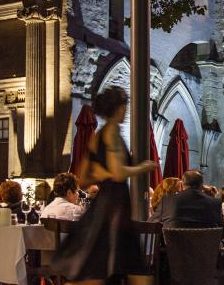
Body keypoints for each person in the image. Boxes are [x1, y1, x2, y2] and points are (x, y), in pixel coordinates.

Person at [49, 86, 158, 285]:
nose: (125, 111)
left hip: (105, 205)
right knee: (121, 267)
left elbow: (82, 178)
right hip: (115, 206)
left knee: (104, 267)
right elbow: (118, 173)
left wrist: (102, 172)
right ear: (117, 109)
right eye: (124, 106)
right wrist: (143, 167)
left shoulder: (98, 136)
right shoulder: (112, 133)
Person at [152, 170, 223, 228]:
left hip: (174, 244)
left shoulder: (167, 201)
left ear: (182, 184)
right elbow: (221, 233)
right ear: (201, 184)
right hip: (206, 245)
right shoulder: (216, 203)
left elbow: (151, 224)